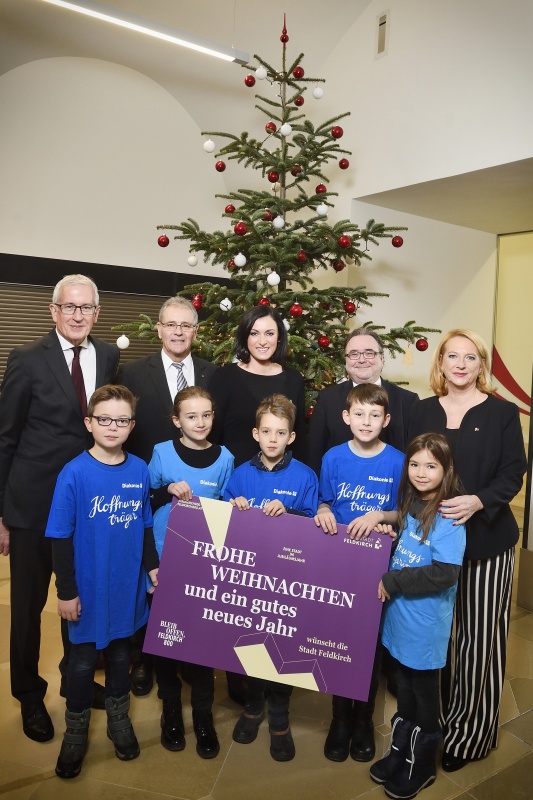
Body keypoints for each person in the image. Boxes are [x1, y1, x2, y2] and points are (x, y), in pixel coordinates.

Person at [0, 274, 120, 742]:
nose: (77, 315)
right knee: (28, 607)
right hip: (32, 506)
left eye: (85, 308)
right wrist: (1, 513)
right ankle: (29, 695)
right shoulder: (27, 359)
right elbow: (6, 437)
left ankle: (76, 678)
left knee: (79, 599)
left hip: (86, 505)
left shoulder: (109, 356)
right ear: (53, 311)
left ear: (96, 313)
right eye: (68, 307)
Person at [408, 329, 526, 772]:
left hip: (486, 544)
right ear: (439, 362)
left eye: (470, 357)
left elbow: (514, 471)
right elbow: (411, 469)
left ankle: (470, 734)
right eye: (451, 356)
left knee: (478, 642)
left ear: (481, 365)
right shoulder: (420, 410)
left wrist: (480, 500)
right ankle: (433, 726)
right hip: (430, 544)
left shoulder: (501, 412)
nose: (460, 364)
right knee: (435, 638)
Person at [45, 385, 158, 778]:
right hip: (87, 589)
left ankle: (118, 720)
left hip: (126, 585)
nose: (114, 427)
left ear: (132, 425)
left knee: (122, 653)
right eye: (105, 419)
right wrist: (66, 591)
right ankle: (75, 733)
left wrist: (153, 567)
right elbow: (59, 535)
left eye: (122, 420)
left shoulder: (139, 469)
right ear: (89, 423)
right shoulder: (74, 472)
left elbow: (145, 526)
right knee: (80, 661)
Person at [120, 296, 217, 696]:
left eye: (187, 325)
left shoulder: (213, 373)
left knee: (192, 582)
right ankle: (145, 660)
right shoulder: (132, 371)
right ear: (158, 329)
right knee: (148, 577)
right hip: (148, 490)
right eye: (171, 324)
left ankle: (191, 656)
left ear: (195, 331)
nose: (178, 331)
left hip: (197, 494)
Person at [223, 393, 318, 762]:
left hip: (288, 578)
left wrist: (291, 512)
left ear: (291, 436)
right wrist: (235, 508)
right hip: (249, 580)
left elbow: (315, 526)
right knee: (249, 641)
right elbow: (224, 523)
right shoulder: (241, 475)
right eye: (267, 431)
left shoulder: (305, 476)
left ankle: (279, 713)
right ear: (255, 434)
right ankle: (253, 704)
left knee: (281, 647)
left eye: (281, 432)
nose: (273, 439)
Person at [370, 433, 466, 800]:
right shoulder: (411, 501)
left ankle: (422, 764)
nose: (421, 473)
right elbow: (406, 545)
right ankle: (401, 753)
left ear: (447, 470)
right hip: (399, 622)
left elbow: (445, 572)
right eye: (414, 464)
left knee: (424, 699)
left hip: (424, 629)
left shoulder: (448, 515)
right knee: (403, 692)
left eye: (431, 466)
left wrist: (394, 579)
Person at [314, 383, 404, 763]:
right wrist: (321, 510)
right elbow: (323, 500)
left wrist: (381, 517)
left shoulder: (399, 461)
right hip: (339, 565)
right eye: (359, 415)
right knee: (338, 639)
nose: (366, 422)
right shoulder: (333, 458)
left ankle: (364, 719)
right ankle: (339, 719)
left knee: (367, 644)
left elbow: (407, 512)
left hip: (377, 565)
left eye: (374, 415)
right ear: (346, 417)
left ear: (386, 420)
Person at [148, 386, 234, 758]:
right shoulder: (161, 453)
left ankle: (202, 715)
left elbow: (230, 511)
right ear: (176, 420)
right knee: (165, 640)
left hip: (205, 565)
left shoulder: (225, 458)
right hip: (165, 561)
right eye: (191, 416)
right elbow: (144, 499)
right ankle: (170, 708)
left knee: (202, 643)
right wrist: (166, 487)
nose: (200, 422)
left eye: (206, 415)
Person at [308, 328, 419, 475]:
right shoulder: (327, 399)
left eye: (369, 353)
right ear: (346, 360)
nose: (361, 359)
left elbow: (417, 457)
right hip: (340, 490)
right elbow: (313, 455)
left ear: (382, 358)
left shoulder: (408, 401)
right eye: (354, 354)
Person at [209, 306, 306, 467]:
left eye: (269, 333)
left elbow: (300, 438)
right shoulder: (224, 377)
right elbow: (212, 436)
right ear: (245, 337)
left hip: (281, 479)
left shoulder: (293, 379)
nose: (262, 341)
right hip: (233, 479)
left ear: (279, 337)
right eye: (254, 333)